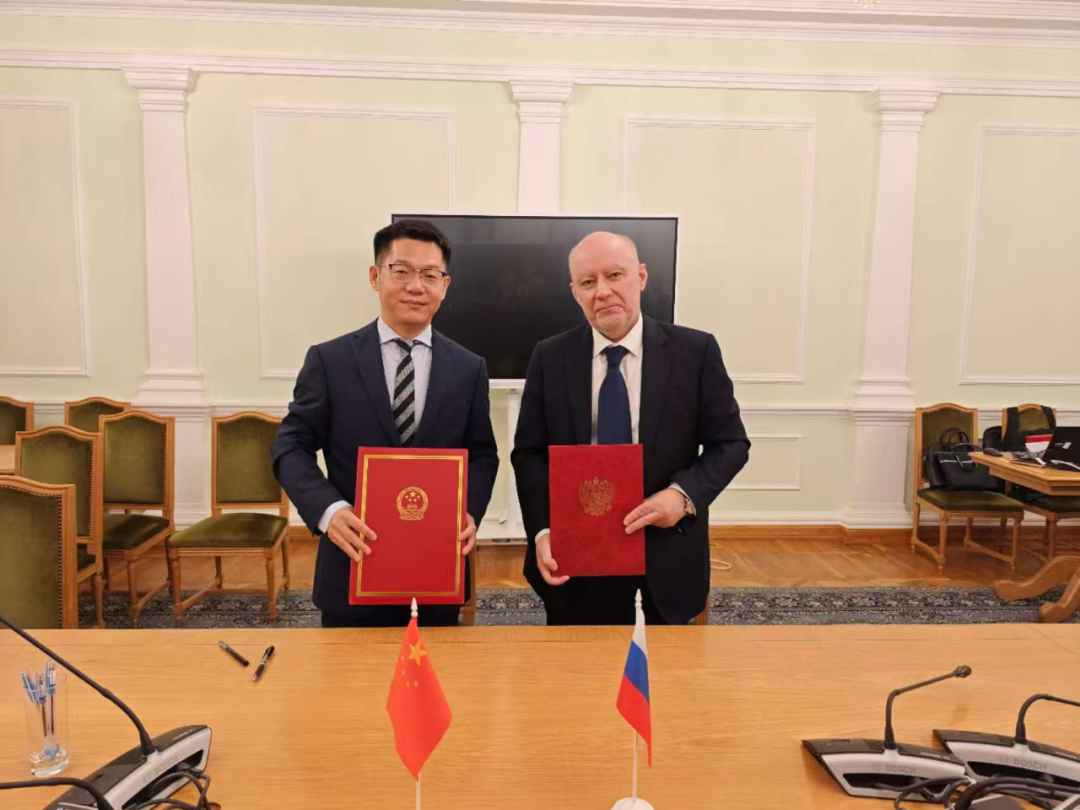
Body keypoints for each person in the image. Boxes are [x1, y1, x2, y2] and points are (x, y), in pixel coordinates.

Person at [511, 231, 750, 625]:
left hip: (666, 555)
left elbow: (731, 444)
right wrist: (541, 531)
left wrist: (682, 497)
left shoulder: (695, 352)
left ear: (640, 277)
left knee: (668, 666)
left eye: (614, 275)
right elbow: (529, 454)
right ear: (575, 292)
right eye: (588, 282)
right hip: (573, 559)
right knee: (577, 662)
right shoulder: (549, 356)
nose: (602, 292)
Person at [272, 219, 499, 627]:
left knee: (435, 668)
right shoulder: (330, 361)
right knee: (349, 671)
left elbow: (483, 453)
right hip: (353, 563)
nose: (416, 286)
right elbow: (290, 446)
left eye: (430, 275)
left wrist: (470, 511)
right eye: (402, 271)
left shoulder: (469, 368)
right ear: (375, 276)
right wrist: (329, 511)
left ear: (445, 286)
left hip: (437, 568)